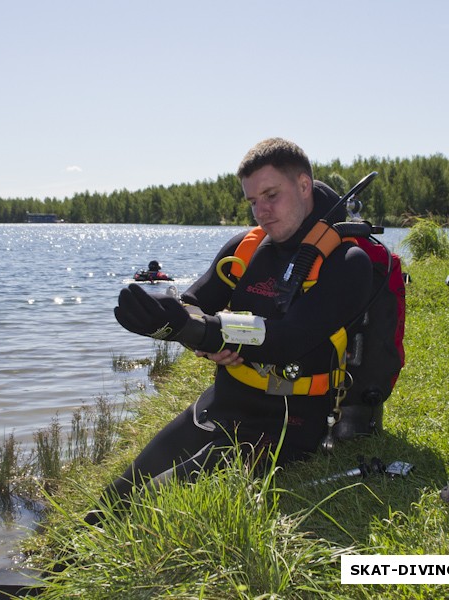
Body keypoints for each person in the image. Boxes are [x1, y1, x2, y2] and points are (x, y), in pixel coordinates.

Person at [87, 138, 373, 523]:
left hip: (292, 418)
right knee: (117, 494)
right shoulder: (245, 247)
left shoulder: (347, 261)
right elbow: (193, 303)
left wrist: (208, 332)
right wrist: (183, 329)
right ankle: (48, 577)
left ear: (304, 186)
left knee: (149, 503)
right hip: (226, 400)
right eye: (253, 201)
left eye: (271, 195)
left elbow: (289, 340)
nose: (262, 212)